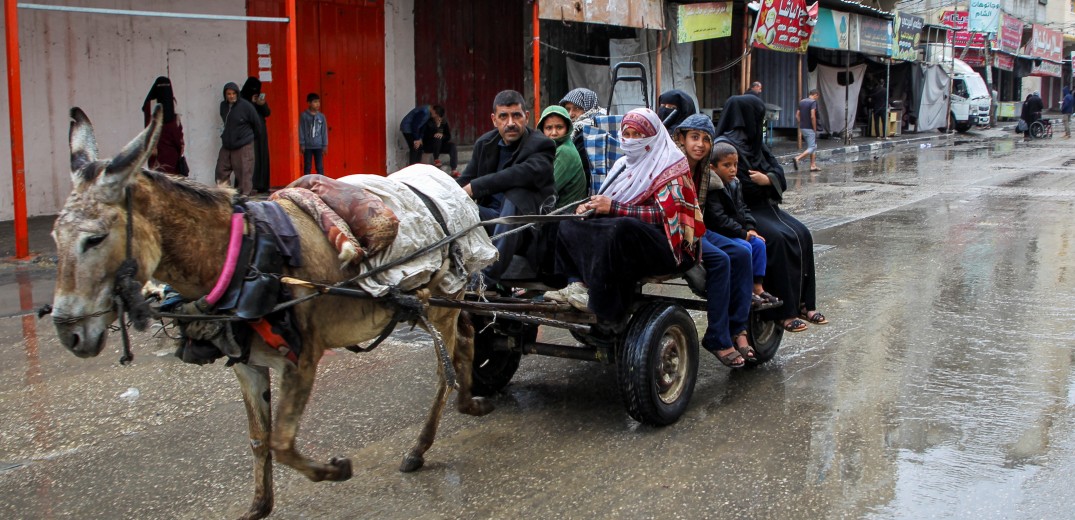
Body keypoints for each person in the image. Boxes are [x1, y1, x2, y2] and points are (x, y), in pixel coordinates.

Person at [547, 108, 705, 336]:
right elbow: (608, 199)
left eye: (637, 135)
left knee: (620, 228)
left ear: (652, 136)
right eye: (626, 134)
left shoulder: (670, 165)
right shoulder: (623, 164)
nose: (630, 141)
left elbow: (667, 217)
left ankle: (607, 311)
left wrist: (615, 208)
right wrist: (589, 208)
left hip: (669, 246)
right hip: (629, 237)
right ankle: (576, 285)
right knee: (569, 221)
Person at [714, 94, 827, 333]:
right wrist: (766, 181)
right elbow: (741, 183)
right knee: (777, 239)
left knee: (803, 234)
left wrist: (768, 178)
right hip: (744, 210)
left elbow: (778, 172)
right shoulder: (726, 145)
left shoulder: (755, 143)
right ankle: (783, 313)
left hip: (767, 207)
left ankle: (805, 304)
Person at [671, 114, 755, 367]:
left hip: (697, 229)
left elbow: (701, 209)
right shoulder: (674, 164)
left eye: (706, 139)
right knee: (721, 260)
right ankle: (717, 337)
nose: (700, 144)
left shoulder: (705, 170)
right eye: (694, 138)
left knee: (744, 252)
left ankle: (738, 329)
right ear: (682, 139)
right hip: (677, 231)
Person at [457, 90, 555, 287]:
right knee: (456, 206)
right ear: (494, 120)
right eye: (504, 116)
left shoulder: (542, 145)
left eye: (516, 115)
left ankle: (488, 277)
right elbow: (463, 182)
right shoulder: (485, 144)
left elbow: (520, 173)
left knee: (516, 194)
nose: (511, 123)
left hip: (526, 229)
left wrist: (475, 187)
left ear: (526, 117)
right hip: (491, 221)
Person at [709, 141, 779, 307]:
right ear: (713, 168)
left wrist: (750, 228)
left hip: (737, 230)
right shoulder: (713, 187)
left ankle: (758, 287)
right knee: (745, 248)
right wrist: (742, 233)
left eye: (735, 164)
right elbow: (718, 219)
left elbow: (743, 208)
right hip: (721, 233)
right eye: (727, 165)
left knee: (759, 244)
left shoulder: (735, 183)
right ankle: (745, 290)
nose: (733, 169)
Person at [215, 82, 262, 196]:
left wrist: (249, 138)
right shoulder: (223, 106)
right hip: (228, 144)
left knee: (244, 171)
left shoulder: (246, 106)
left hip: (243, 143)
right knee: (221, 170)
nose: (231, 96)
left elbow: (256, 124)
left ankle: (244, 196)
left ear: (237, 94)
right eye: (228, 94)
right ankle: (225, 194)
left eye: (233, 93)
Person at [537, 105, 587, 208]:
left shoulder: (565, 152)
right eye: (548, 128)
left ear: (567, 128)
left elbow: (543, 190)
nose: (554, 133)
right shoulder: (551, 149)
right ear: (542, 130)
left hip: (564, 217)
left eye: (559, 127)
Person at [560, 87, 606, 182]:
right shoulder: (574, 129)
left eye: (576, 108)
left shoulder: (586, 131)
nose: (570, 114)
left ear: (589, 108)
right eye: (567, 109)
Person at [141, 76, 185, 175]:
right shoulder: (171, 104)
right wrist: (180, 145)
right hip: (169, 155)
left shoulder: (149, 106)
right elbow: (177, 133)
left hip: (156, 156)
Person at [240, 77, 272, 193]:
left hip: (261, 134)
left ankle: (262, 184)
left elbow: (267, 112)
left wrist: (261, 104)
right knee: (251, 159)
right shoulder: (242, 100)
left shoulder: (259, 99)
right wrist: (252, 104)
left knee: (262, 157)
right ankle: (249, 185)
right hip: (249, 133)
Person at [422, 105, 459, 176]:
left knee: (452, 146)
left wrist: (442, 136)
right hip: (430, 146)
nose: (431, 112)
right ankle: (436, 159)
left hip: (440, 145)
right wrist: (436, 131)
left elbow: (448, 136)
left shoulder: (444, 123)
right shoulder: (428, 122)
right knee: (437, 137)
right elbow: (425, 136)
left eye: (433, 112)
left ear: (437, 114)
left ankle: (454, 169)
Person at [299, 93, 328, 176]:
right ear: (309, 103)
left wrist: (325, 145)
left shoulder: (321, 117)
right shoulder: (304, 116)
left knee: (319, 167)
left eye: (318, 102)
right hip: (308, 146)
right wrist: (302, 144)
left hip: (318, 146)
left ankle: (321, 183)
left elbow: (324, 131)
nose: (317, 104)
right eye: (315, 102)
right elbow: (301, 129)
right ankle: (306, 184)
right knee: (307, 166)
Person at [793, 89, 821, 172]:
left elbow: (797, 115)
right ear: (815, 95)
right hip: (810, 128)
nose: (817, 99)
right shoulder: (813, 103)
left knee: (813, 146)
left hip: (803, 127)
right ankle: (797, 158)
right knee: (812, 147)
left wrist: (801, 123)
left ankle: (813, 165)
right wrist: (814, 128)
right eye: (817, 97)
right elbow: (813, 116)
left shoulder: (802, 102)